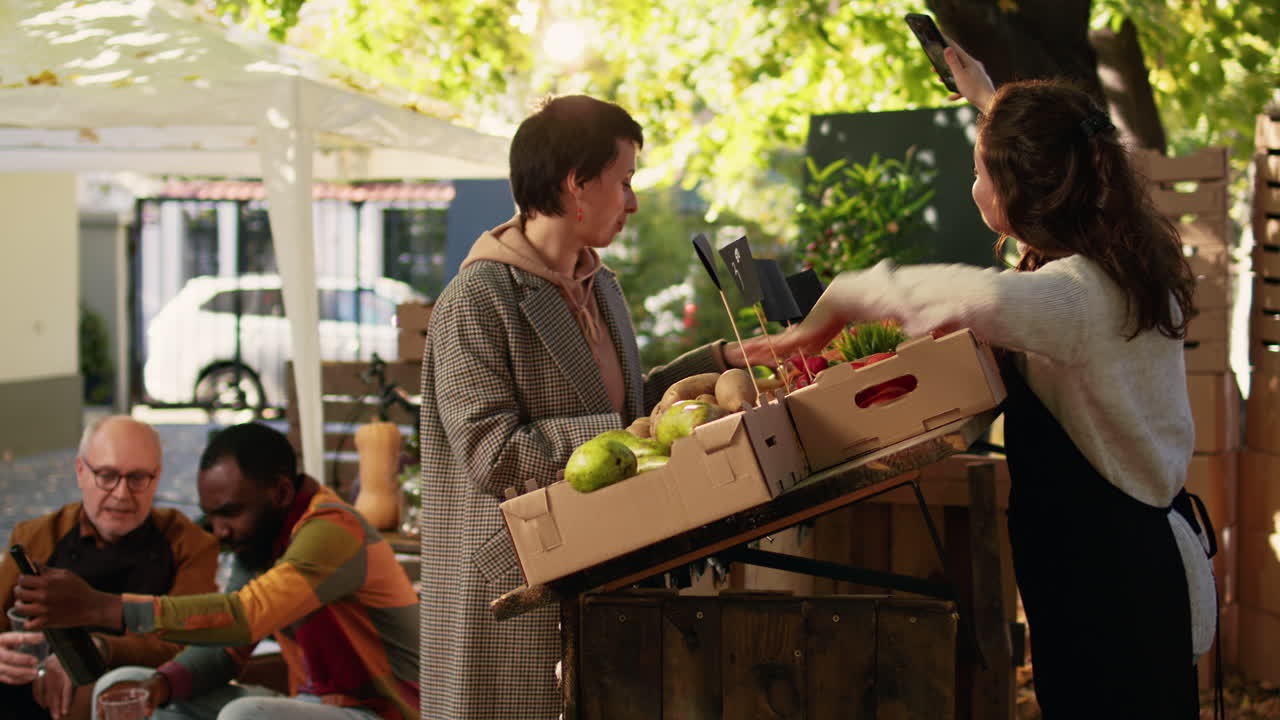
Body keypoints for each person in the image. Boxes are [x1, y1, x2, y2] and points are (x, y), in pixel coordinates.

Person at [742, 44, 1215, 718]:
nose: (973, 187)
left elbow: (952, 292)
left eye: (978, 172)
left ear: (1022, 188)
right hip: (1127, 570)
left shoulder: (1070, 296)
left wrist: (822, 318)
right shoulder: (1116, 251)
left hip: (1111, 594)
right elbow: (1057, 145)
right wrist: (989, 98)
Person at [417, 94, 752, 719]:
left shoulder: (600, 286)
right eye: (624, 182)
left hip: (599, 571)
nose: (633, 202)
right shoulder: (476, 299)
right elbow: (494, 453)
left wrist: (724, 361)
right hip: (516, 592)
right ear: (576, 184)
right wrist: (627, 429)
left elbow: (634, 404)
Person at [13, 421, 420, 720]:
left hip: (385, 713)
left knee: (244, 716)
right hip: (309, 707)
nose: (220, 532)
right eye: (107, 476)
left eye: (230, 513)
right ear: (81, 473)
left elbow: (243, 616)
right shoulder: (259, 539)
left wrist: (101, 607)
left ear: (279, 493)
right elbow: (226, 651)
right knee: (121, 687)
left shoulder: (333, 529)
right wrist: (161, 686)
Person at [0, 415, 220, 720]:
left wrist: (96, 649)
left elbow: (187, 646)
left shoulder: (190, 544)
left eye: (138, 478)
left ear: (157, 478)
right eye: (107, 475)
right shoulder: (35, 538)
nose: (121, 494)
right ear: (80, 471)